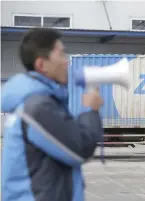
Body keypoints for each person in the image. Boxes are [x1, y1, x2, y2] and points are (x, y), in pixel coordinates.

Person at [1, 28, 104, 201]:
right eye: (62, 55)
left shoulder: (32, 101)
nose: (67, 62)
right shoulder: (38, 107)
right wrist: (90, 111)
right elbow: (79, 149)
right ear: (41, 65)